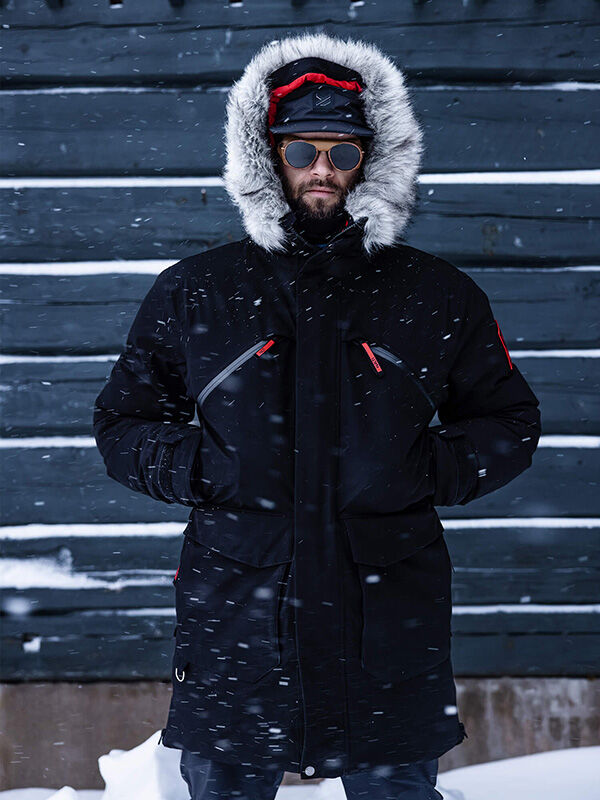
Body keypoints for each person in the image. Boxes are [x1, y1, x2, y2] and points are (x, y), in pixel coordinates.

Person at [93, 32, 542, 799]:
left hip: (386, 601)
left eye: (344, 152)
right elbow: (124, 424)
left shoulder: (435, 293)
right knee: (227, 789)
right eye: (302, 152)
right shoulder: (197, 291)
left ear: (374, 161)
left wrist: (421, 469)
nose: (323, 170)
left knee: (396, 789)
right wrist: (204, 467)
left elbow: (508, 420)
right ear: (269, 158)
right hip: (240, 601)